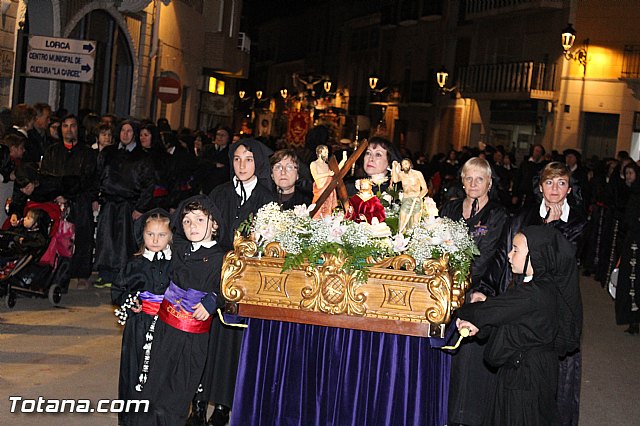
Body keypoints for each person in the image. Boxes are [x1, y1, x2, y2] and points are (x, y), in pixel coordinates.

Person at [456, 226, 582, 425]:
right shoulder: (544, 285)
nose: (509, 255)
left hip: (524, 378)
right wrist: (486, 310)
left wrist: (464, 310)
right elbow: (509, 311)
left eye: (516, 250)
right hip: (535, 369)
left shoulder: (534, 293)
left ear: (536, 255)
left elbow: (497, 309)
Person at [134, 196, 226, 425]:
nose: (192, 225)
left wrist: (213, 300)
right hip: (165, 330)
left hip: (192, 338)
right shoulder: (179, 250)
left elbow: (233, 288)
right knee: (153, 387)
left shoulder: (222, 258)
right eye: (186, 221)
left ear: (214, 224)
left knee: (178, 393)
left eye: (199, 219)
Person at [440, 157, 509, 426]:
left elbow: (489, 256)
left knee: (468, 356)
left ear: (489, 183)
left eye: (479, 179)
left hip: (478, 290)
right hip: (445, 288)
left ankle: (466, 416)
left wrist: (470, 290)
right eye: (468, 178)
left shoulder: (497, 214)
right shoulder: (451, 207)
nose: (473, 183)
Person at [112, 209, 172, 426]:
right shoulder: (134, 263)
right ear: (142, 235)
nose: (155, 240)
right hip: (139, 325)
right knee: (135, 371)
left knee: (162, 372)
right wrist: (130, 301)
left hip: (166, 325)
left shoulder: (175, 264)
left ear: (170, 236)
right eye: (150, 234)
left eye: (161, 235)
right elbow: (118, 291)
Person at [93, 120, 155, 288]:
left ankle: (122, 275)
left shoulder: (142, 157)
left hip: (129, 205)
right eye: (122, 130)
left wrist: (140, 207)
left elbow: (149, 185)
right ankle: (105, 274)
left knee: (124, 242)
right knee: (105, 239)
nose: (125, 134)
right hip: (109, 202)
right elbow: (97, 176)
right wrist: (95, 198)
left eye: (129, 131)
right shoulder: (108, 153)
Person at [39, 114, 97, 287]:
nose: (69, 129)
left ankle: (81, 274)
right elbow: (46, 175)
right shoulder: (53, 151)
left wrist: (73, 195)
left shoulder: (87, 153)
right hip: (57, 201)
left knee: (82, 238)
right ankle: (54, 274)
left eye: (72, 126)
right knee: (56, 238)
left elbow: (90, 178)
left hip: (79, 201)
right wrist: (56, 194)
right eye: (65, 126)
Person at [615, 162, 640, 335]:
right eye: (627, 173)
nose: (628, 176)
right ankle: (633, 319)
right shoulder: (630, 192)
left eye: (631, 173)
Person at [391, 158, 428, 233]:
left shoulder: (418, 174)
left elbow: (425, 189)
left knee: (415, 221)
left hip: (416, 199)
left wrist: (419, 197)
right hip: (406, 198)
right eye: (402, 165)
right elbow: (395, 180)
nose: (404, 166)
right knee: (402, 217)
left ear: (410, 164)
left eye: (406, 164)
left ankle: (414, 237)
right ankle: (400, 236)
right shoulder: (401, 175)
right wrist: (394, 167)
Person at [310, 144, 339, 218]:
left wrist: (344, 160)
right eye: (325, 152)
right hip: (320, 191)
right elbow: (315, 176)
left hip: (328, 191)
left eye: (327, 152)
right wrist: (327, 174)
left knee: (327, 213)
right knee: (317, 212)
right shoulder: (314, 164)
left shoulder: (327, 165)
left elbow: (336, 171)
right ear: (320, 153)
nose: (327, 154)